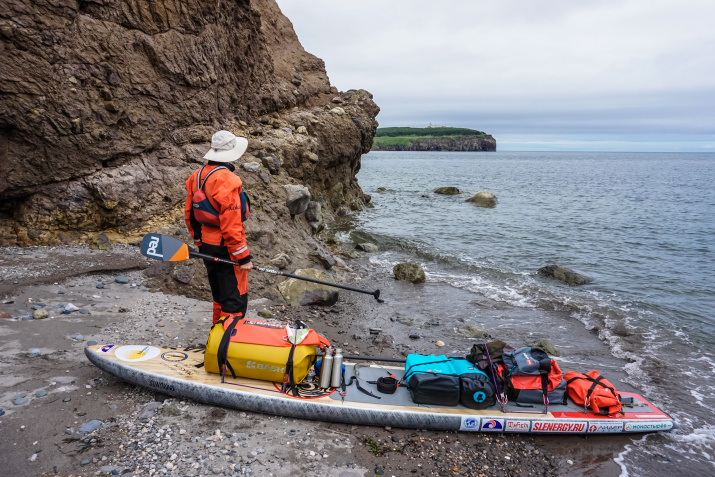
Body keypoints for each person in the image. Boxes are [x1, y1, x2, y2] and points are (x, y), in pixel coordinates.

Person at [184, 130, 252, 324]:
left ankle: (218, 340)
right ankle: (227, 348)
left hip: (206, 244)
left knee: (219, 296)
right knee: (234, 300)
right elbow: (232, 225)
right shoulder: (228, 180)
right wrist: (243, 257)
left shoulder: (196, 176)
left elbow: (189, 214)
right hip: (225, 248)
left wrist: (198, 241)